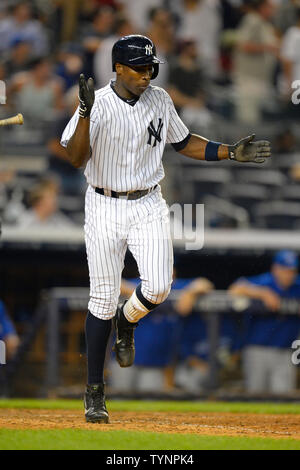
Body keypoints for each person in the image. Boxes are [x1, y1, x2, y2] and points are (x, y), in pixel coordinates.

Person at [60, 34, 271, 423]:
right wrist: (85, 112)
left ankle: (128, 319)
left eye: (150, 68)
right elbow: (74, 158)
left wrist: (228, 152)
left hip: (148, 202)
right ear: (118, 68)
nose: (146, 75)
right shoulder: (98, 103)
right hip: (103, 203)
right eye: (139, 68)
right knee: (102, 299)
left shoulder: (160, 99)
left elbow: (183, 141)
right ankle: (94, 391)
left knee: (158, 286)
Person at [229, 250, 300, 394]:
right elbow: (235, 289)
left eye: (292, 271)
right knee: (255, 393)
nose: (289, 275)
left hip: (285, 351)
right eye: (285, 270)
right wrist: (262, 293)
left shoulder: (297, 285)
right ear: (275, 269)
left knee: (283, 396)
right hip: (257, 349)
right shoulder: (264, 282)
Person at [232, 0, 279, 124]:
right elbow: (242, 45)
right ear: (262, 7)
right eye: (270, 7)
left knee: (260, 121)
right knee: (248, 120)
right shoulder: (252, 20)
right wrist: (267, 48)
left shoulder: (265, 24)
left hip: (262, 78)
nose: (274, 10)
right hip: (249, 79)